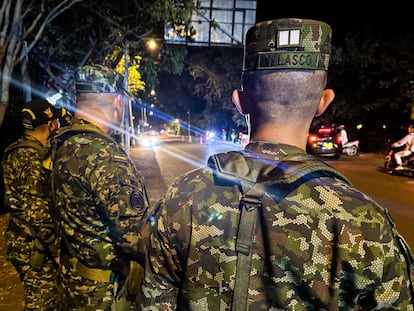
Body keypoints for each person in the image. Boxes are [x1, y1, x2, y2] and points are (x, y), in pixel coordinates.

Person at [139, 18, 414, 310]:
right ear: (323, 102)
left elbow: (154, 303)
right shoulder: (367, 223)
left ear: (240, 102)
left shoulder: (183, 196)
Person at [47, 64, 149, 310]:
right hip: (104, 293)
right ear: (118, 103)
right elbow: (136, 237)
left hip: (72, 282)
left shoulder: (61, 145)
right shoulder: (106, 156)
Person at [2, 98, 61, 310]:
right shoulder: (34, 157)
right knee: (42, 302)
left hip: (22, 238)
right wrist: (56, 253)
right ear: (52, 123)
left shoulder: (15, 150)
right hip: (35, 245)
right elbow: (37, 213)